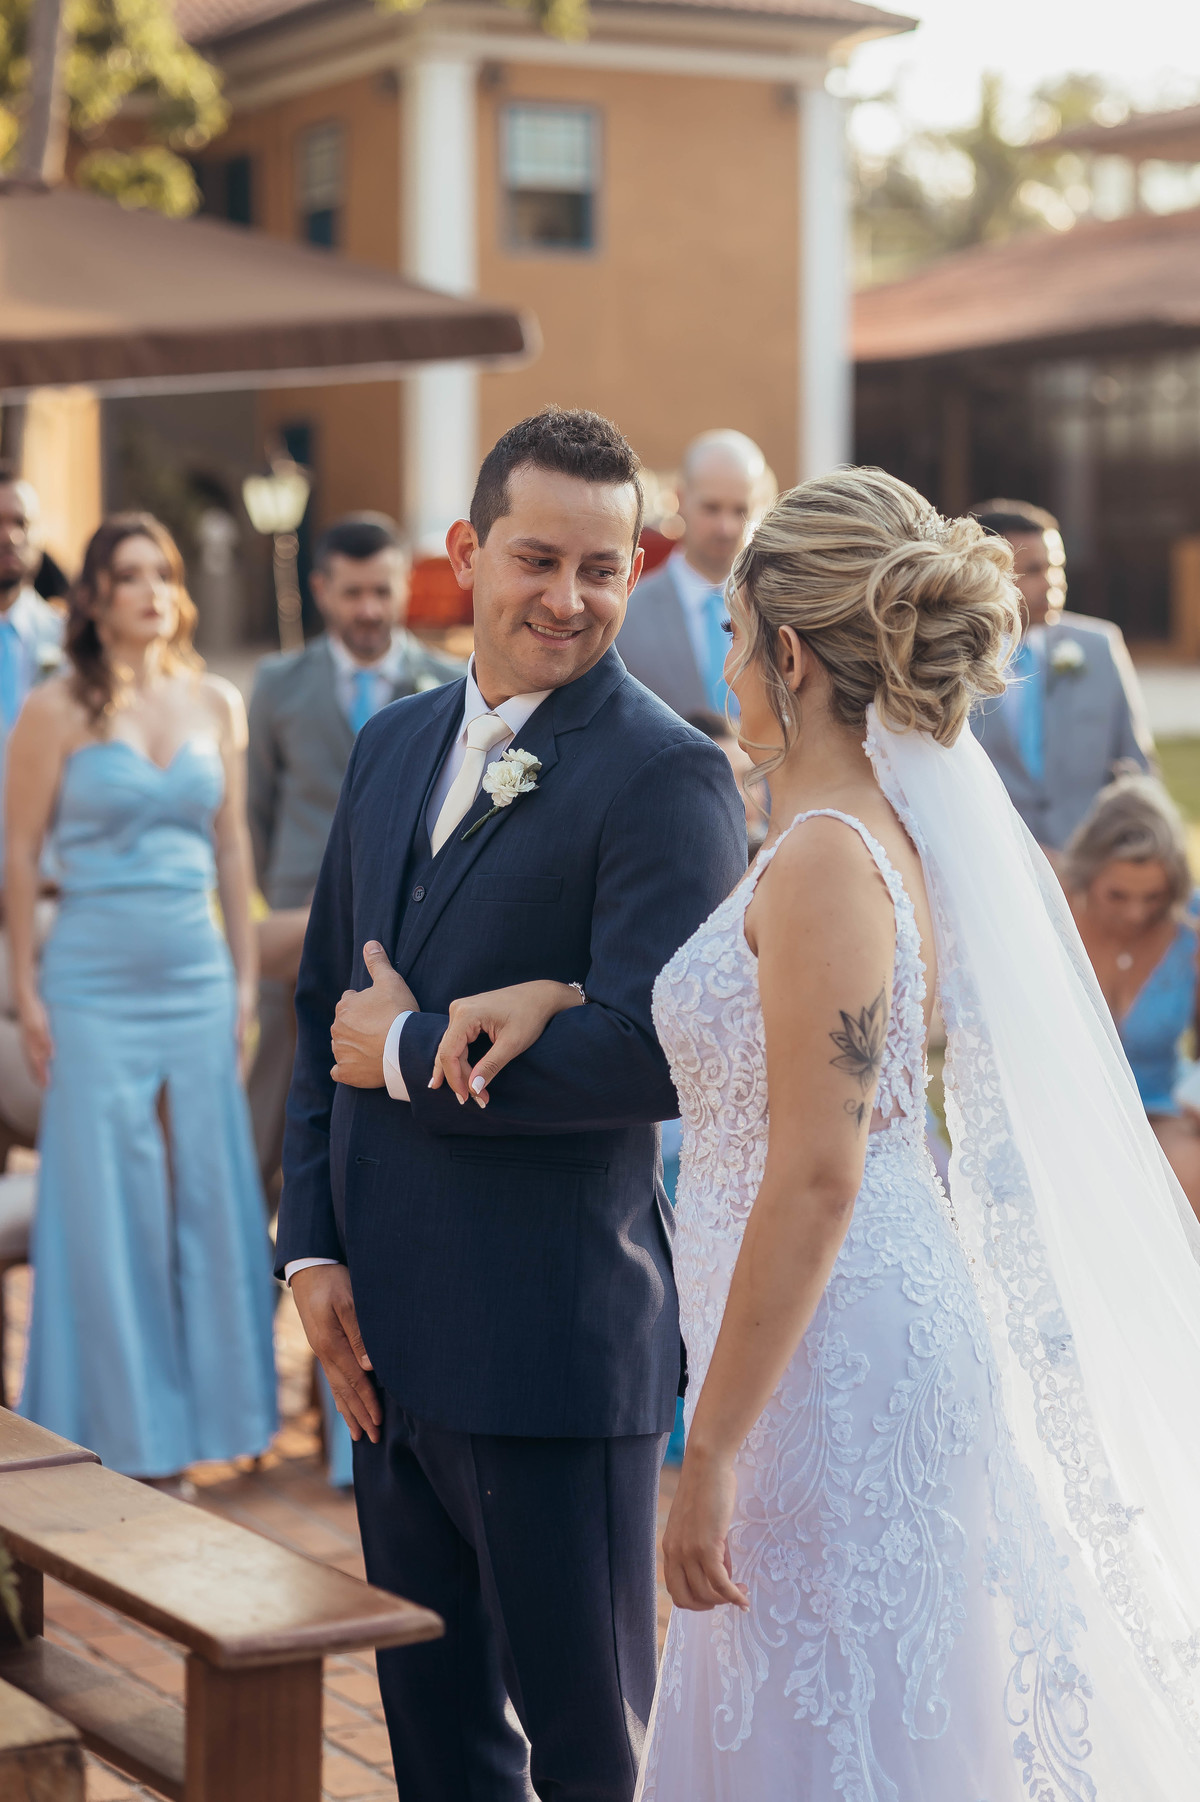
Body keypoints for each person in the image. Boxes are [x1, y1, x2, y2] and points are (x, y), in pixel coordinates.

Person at [458, 469, 1200, 1798]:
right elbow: (760, 1037)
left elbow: (818, 1167)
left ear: (789, 652)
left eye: (739, 641)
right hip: (817, 1326)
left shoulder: (824, 858)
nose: (728, 670)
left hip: (828, 1351)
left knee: (836, 1717)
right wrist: (563, 995)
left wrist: (716, 1447)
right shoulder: (851, 835)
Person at [277, 406, 746, 1801]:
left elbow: (662, 1054)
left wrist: (420, 1047)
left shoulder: (669, 772)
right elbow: (317, 1014)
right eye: (538, 558)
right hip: (384, 1349)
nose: (570, 597)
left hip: (551, 1350)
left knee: (590, 1746)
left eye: (605, 568)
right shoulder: (390, 744)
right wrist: (312, 1253)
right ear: (467, 552)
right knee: (437, 1744)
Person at [8, 514, 277, 1485]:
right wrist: (28, 991)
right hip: (88, 981)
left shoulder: (215, 699)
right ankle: (115, 1425)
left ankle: (212, 1414)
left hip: (198, 974)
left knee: (208, 1188)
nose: (152, 588)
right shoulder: (54, 708)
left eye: (163, 571)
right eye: (129, 574)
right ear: (93, 597)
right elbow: (19, 852)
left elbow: (233, 847)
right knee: (106, 1196)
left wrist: (245, 976)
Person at [246, 512, 463, 1210]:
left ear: (402, 587)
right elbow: (252, 810)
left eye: (381, 590)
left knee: (377, 1087)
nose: (368, 609)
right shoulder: (277, 682)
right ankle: (257, 1244)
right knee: (275, 1087)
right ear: (321, 590)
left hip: (401, 927)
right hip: (294, 918)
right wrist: (278, 907)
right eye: (351, 593)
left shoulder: (450, 683)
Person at [969, 499, 1154, 853]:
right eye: (1034, 570)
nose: (1053, 583)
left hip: (1091, 866)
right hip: (991, 862)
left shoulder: (1100, 646)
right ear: (985, 574)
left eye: (1057, 567)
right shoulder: (948, 663)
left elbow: (1138, 769)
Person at [1065, 774, 1200, 1216]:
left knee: (1189, 1165)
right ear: (1089, 875)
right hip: (1069, 1113)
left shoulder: (1191, 923)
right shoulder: (1051, 917)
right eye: (1117, 895)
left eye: (1154, 897)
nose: (1136, 912)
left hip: (1162, 1112)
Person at [617, 430, 773, 718]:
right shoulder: (626, 614)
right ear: (680, 499)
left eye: (740, 510)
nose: (725, 527)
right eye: (711, 508)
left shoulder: (779, 608)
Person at [0, 467, 64, 1160]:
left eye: (20, 522)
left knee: (51, 1092)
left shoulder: (72, 643)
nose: (9, 538)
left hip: (54, 914)